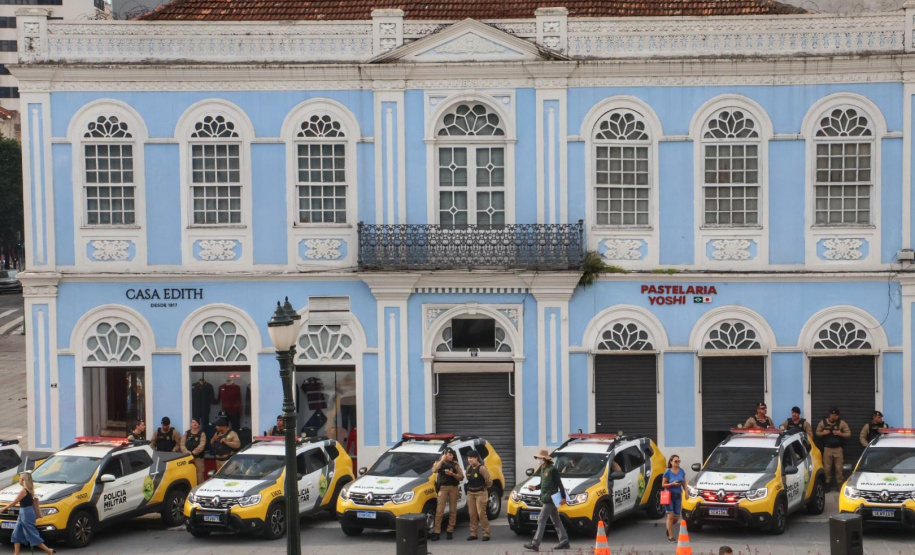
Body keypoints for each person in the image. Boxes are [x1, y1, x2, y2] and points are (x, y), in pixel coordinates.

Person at [522, 449, 570, 552]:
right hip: (545, 497)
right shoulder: (543, 469)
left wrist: (563, 498)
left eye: (540, 458)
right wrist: (535, 487)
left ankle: (535, 543)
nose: (538, 460)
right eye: (538, 458)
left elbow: (560, 485)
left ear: (545, 459)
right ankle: (564, 541)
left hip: (551, 499)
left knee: (541, 519)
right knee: (556, 520)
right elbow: (543, 484)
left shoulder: (553, 470)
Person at [0, 472, 55, 554]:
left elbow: (15, 502)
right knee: (17, 533)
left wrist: (3, 508)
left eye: (20, 478)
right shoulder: (30, 489)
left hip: (26, 513)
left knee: (32, 534)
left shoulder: (24, 491)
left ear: (23, 480)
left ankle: (48, 550)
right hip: (24, 512)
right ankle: (16, 553)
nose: (19, 480)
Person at [430, 447, 463, 541]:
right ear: (444, 454)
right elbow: (434, 470)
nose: (451, 456)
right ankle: (437, 531)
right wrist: (442, 460)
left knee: (453, 510)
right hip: (443, 488)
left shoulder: (455, 464)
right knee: (439, 511)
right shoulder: (439, 462)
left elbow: (461, 477)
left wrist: (452, 474)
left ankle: (450, 530)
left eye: (452, 455)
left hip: (453, 488)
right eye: (449, 454)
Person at [816, 407, 852, 491]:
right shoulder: (823, 422)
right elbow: (817, 433)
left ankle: (839, 484)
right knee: (827, 468)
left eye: (836, 415)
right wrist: (823, 433)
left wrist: (841, 434)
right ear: (830, 415)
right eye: (834, 415)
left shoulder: (841, 423)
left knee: (839, 468)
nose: (836, 417)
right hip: (827, 448)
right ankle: (827, 484)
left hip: (838, 449)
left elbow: (849, 434)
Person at [465, 450, 493, 542]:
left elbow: (489, 481)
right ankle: (473, 533)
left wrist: (484, 489)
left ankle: (486, 533)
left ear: (476, 458)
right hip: (470, 493)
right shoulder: (468, 468)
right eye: (468, 458)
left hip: (480, 493)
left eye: (471, 458)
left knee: (481, 514)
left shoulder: (482, 468)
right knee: (472, 514)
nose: (469, 460)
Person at [662, 454, 685, 543]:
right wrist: (672, 484)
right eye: (676, 461)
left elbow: (684, 483)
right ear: (671, 462)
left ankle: (669, 527)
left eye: (679, 461)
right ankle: (671, 536)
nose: (678, 463)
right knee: (670, 516)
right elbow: (663, 484)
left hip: (678, 496)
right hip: (669, 496)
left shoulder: (681, 471)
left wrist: (686, 492)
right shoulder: (667, 472)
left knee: (676, 517)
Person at [180, 418, 207, 484]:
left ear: (198, 424)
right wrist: (187, 452)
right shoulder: (187, 433)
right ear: (191, 424)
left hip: (198, 458)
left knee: (199, 475)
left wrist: (194, 452)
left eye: (196, 422)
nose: (194, 424)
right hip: (187, 457)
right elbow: (182, 444)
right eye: (193, 422)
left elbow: (202, 445)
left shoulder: (202, 434)